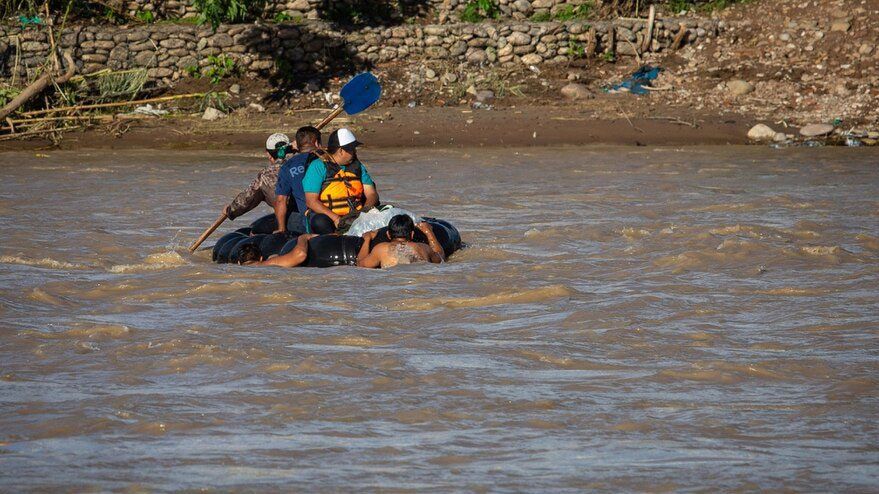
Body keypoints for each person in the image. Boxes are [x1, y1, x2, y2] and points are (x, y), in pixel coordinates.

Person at [301, 128, 380, 234]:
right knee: (319, 222)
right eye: (352, 149)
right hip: (329, 217)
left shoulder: (358, 166)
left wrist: (364, 213)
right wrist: (336, 219)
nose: (355, 152)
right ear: (341, 151)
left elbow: (371, 193)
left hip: (355, 215)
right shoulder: (318, 166)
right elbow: (311, 201)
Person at [224, 133, 296, 222]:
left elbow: (248, 198)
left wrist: (230, 210)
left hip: (290, 217)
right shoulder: (303, 160)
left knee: (254, 230)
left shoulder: (266, 175)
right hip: (310, 212)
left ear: (268, 154)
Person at [273, 126, 322, 234]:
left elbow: (281, 200)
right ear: (317, 143)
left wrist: (281, 229)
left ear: (297, 145)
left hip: (310, 222)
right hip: (336, 214)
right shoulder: (329, 160)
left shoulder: (287, 166)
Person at [356, 215, 444, 269]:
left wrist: (367, 239)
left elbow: (361, 265)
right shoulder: (423, 248)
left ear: (388, 234)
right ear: (412, 234)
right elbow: (440, 257)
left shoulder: (381, 249)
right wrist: (429, 232)